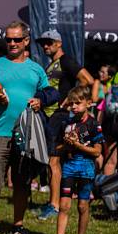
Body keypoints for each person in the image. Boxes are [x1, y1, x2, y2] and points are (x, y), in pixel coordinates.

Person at [0, 21, 49, 234]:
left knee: (22, 182)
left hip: (27, 134)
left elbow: (46, 93)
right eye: (8, 39)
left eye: (17, 39)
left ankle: (18, 225)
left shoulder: (36, 68)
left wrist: (39, 101)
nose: (12, 43)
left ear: (26, 40)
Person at [35, 30, 94, 222]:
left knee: (53, 161)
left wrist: (70, 100)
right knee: (52, 161)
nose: (45, 46)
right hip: (50, 115)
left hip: (59, 116)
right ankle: (55, 201)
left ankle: (54, 205)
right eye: (43, 43)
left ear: (58, 43)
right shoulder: (52, 63)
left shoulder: (66, 61)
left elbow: (88, 80)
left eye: (49, 42)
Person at [46, 87, 103, 234]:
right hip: (69, 168)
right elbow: (57, 148)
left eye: (78, 103)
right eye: (72, 103)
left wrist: (78, 145)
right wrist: (67, 144)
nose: (74, 106)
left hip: (86, 169)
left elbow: (97, 151)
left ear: (88, 103)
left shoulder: (94, 125)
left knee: (82, 206)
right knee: (64, 206)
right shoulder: (66, 124)